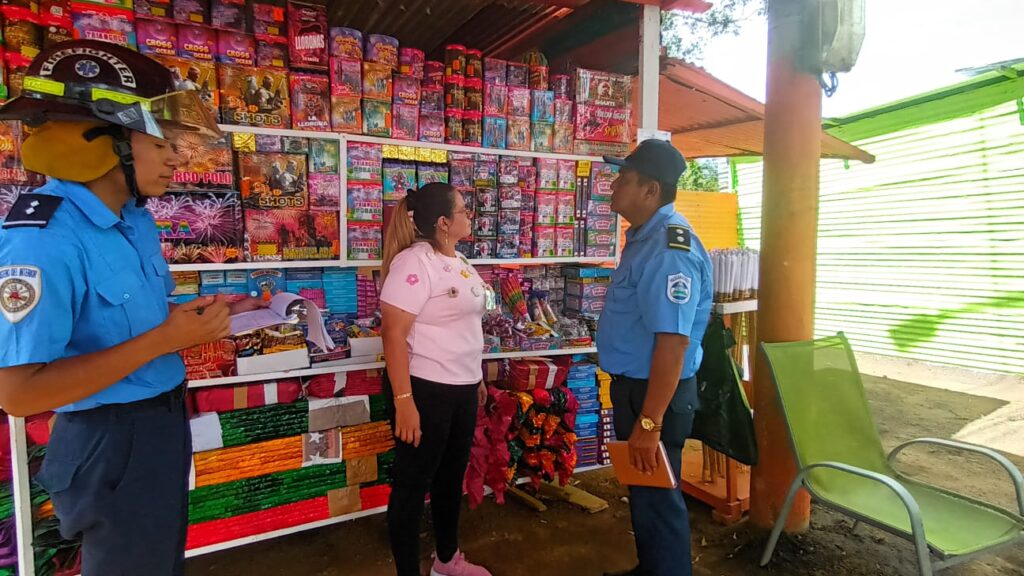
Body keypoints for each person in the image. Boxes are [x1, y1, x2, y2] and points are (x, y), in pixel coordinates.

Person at [0, 40, 265, 576]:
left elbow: (133, 316)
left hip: (157, 426)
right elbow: (19, 394)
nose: (176, 157)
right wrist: (164, 341)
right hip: (108, 440)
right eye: (159, 141)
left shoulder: (133, 218)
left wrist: (213, 313)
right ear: (101, 139)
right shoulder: (42, 239)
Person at [596, 139, 713, 576]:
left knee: (660, 500)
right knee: (646, 493)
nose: (613, 186)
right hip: (638, 389)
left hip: (654, 395)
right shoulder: (645, 239)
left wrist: (649, 423)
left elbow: (673, 344)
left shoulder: (668, 251)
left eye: (623, 179)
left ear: (651, 190)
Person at [379, 182, 493, 576]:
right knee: (412, 485)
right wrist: (404, 401)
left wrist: (475, 377)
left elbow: (464, 327)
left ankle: (446, 560)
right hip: (425, 391)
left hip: (462, 388)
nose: (470, 216)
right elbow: (393, 334)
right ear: (444, 222)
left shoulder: (459, 260)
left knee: (450, 477)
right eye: (463, 210)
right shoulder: (414, 263)